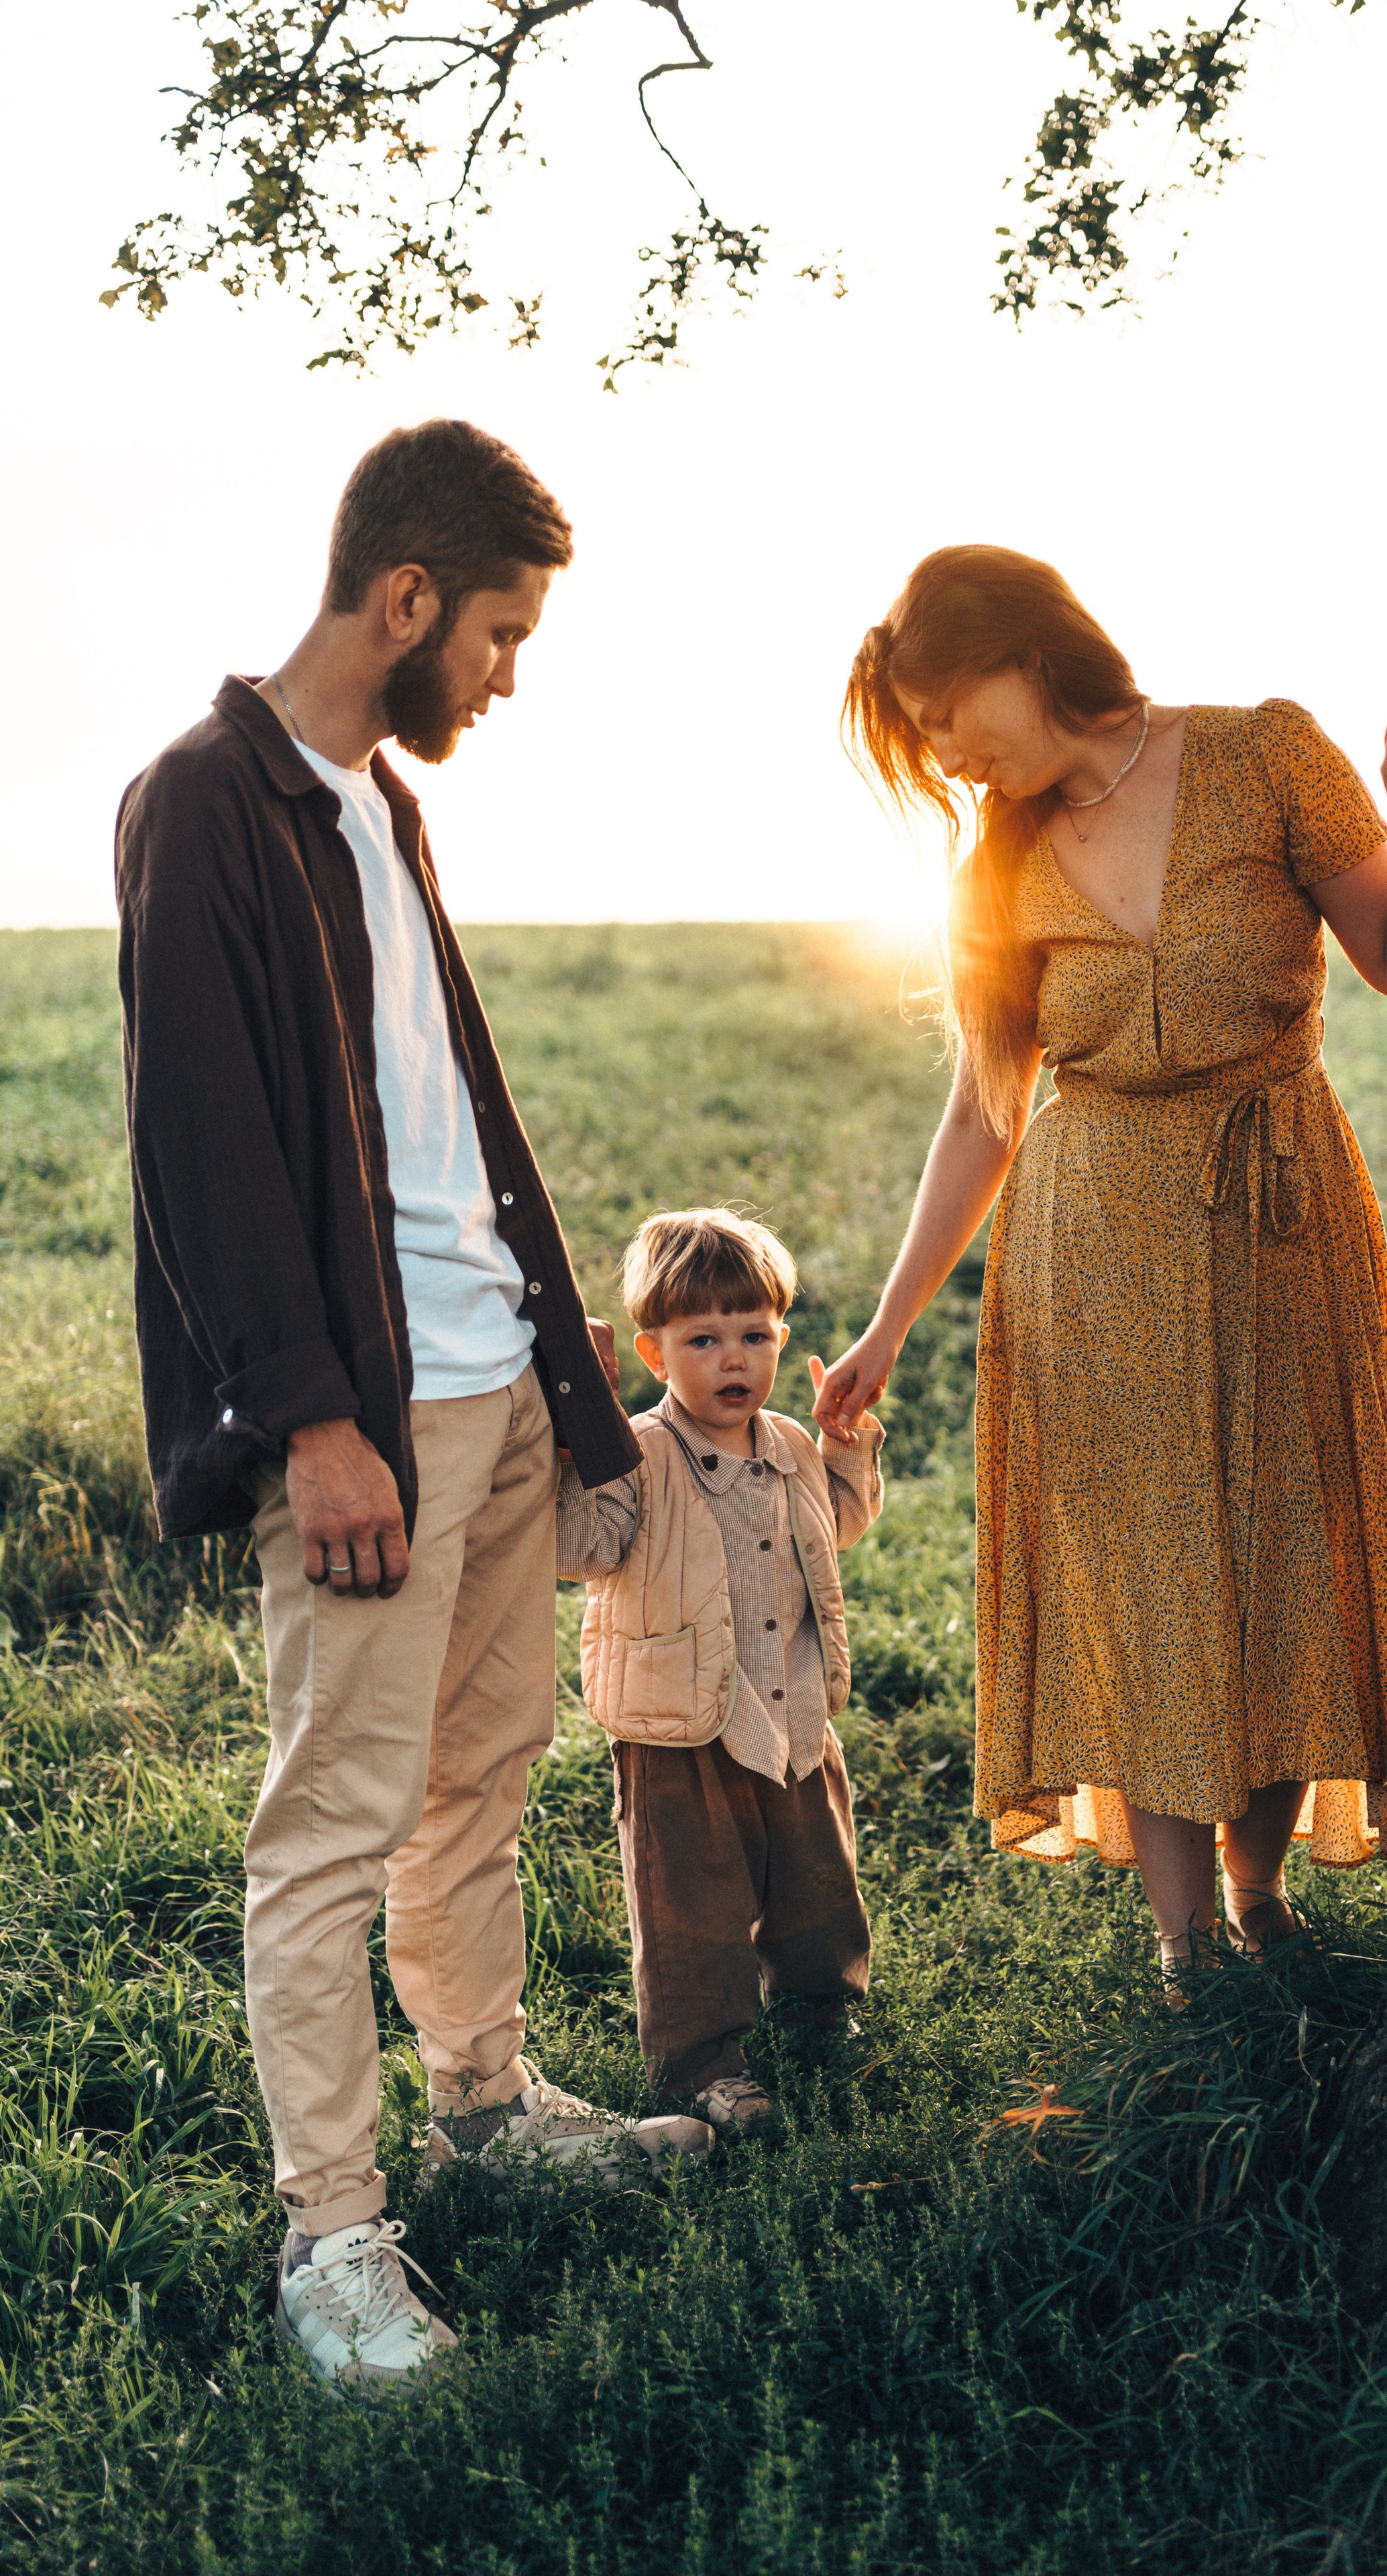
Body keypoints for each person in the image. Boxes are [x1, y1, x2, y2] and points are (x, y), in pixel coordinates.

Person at [116, 420, 713, 2400]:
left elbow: (446, 1112)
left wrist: (570, 1394)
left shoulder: (382, 798)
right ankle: (333, 2241)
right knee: (328, 1827)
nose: (508, 675)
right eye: (502, 635)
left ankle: (482, 2102)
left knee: (477, 1780)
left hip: (494, 1396)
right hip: (366, 1422)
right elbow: (201, 1151)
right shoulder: (204, 803)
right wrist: (312, 1421)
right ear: (406, 601)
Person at [814, 545, 1387, 1994]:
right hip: (1089, 1245)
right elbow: (982, 1113)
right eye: (925, 734)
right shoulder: (998, 862)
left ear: (1028, 653)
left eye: (950, 711)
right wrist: (889, 1328)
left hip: (1278, 1215)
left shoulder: (1265, 753)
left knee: (1283, 1549)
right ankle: (1183, 1946)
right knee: (1141, 1572)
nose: (950, 753)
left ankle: (1260, 1891)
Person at [556, 1210, 882, 2134]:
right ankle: (704, 2064)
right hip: (677, 1728)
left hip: (790, 1711)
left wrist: (846, 1459)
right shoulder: (639, 1451)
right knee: (691, 1909)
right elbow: (586, 1546)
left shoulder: (784, 1445)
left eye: (755, 1336)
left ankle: (820, 2010)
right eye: (704, 1339)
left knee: (817, 1885)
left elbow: (833, 1534)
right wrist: (576, 1447)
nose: (733, 1359)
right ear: (656, 1355)